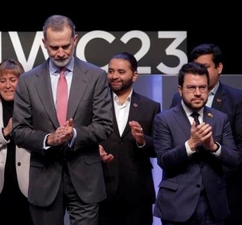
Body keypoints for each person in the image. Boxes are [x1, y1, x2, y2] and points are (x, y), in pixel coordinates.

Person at [11, 14, 113, 225]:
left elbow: (104, 126)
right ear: (44, 44)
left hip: (86, 179)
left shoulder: (96, 76)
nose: (60, 53)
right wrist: (49, 139)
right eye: (54, 47)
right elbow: (19, 131)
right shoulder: (28, 81)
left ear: (75, 40)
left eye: (66, 46)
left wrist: (74, 134)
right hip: (44, 179)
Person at [154, 61, 240, 225]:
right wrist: (191, 144)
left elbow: (234, 159)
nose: (198, 93)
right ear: (180, 90)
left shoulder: (220, 118)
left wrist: (213, 147)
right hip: (177, 205)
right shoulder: (163, 119)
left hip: (213, 205)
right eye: (191, 88)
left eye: (203, 87)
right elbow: (164, 160)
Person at [98, 52, 161, 225]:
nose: (114, 76)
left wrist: (142, 141)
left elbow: (159, 148)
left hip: (138, 194)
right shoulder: (95, 104)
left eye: (120, 71)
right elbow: (85, 136)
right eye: (111, 71)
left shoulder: (151, 107)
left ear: (134, 75)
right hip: (102, 191)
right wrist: (94, 149)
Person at [0, 58, 33, 225]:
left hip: (27, 188)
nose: (7, 85)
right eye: (2, 81)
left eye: (13, 80)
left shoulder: (33, 107)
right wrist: (5, 133)